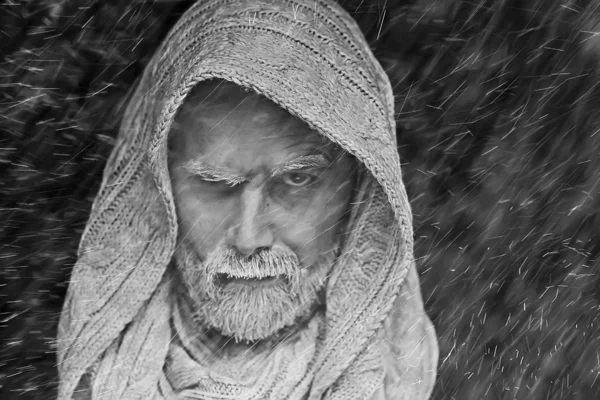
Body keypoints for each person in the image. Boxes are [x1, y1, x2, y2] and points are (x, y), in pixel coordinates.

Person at [56, 0, 439, 399]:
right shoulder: (101, 377)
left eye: (297, 179)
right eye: (215, 183)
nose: (249, 238)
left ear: (361, 192)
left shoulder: (398, 375)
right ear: (159, 187)